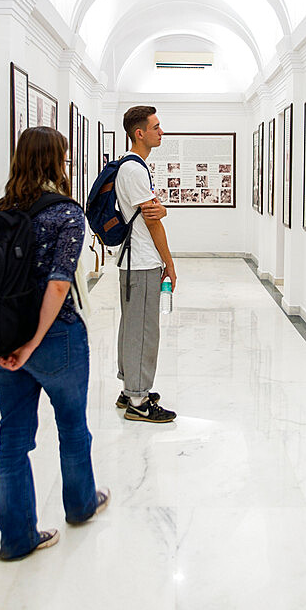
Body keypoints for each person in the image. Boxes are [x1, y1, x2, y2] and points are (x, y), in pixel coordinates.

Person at [0, 126, 108, 560]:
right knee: (72, 426)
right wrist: (33, 342)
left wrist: (13, 345)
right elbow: (59, 286)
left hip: (3, 338)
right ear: (55, 160)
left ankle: (16, 539)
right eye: (64, 155)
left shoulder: (1, 210)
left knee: (13, 438)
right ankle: (80, 505)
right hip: (55, 337)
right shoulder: (66, 214)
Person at [115, 105, 177, 422]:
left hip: (133, 261)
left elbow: (152, 211)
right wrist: (170, 263)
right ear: (140, 133)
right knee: (143, 330)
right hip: (141, 261)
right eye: (156, 127)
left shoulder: (131, 167)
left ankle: (130, 389)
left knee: (132, 326)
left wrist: (160, 209)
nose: (160, 131)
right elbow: (153, 221)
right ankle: (138, 401)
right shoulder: (135, 170)